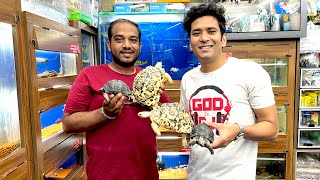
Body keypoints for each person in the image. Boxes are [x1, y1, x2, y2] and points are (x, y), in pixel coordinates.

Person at [62, 18, 170, 180]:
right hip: (104, 175)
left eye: (133, 40)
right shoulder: (89, 75)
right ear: (109, 44)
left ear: (139, 46)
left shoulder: (150, 77)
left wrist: (153, 103)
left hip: (146, 174)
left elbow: (166, 119)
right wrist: (105, 113)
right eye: (119, 39)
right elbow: (68, 123)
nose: (127, 45)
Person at [180, 3, 278, 180]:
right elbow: (188, 127)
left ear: (223, 39)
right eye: (196, 33)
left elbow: (272, 129)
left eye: (211, 31)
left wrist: (238, 130)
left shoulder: (251, 72)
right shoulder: (188, 79)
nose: (203, 38)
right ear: (190, 43)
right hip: (196, 175)